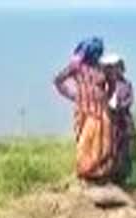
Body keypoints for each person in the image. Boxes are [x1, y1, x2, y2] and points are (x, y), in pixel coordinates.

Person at [53, 37, 116, 183]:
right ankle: (84, 173)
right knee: (86, 142)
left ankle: (100, 173)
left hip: (101, 110)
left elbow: (112, 84)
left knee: (104, 143)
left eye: (98, 53)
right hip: (85, 109)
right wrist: (72, 95)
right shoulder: (76, 66)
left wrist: (106, 97)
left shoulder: (102, 68)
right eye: (93, 52)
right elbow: (58, 80)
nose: (96, 55)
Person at [101, 53, 136, 186]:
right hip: (109, 120)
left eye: (115, 67)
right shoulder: (103, 84)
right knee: (110, 148)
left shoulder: (126, 84)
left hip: (124, 119)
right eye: (110, 67)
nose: (113, 70)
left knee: (128, 148)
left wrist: (119, 107)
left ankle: (127, 178)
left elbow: (130, 99)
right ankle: (109, 177)